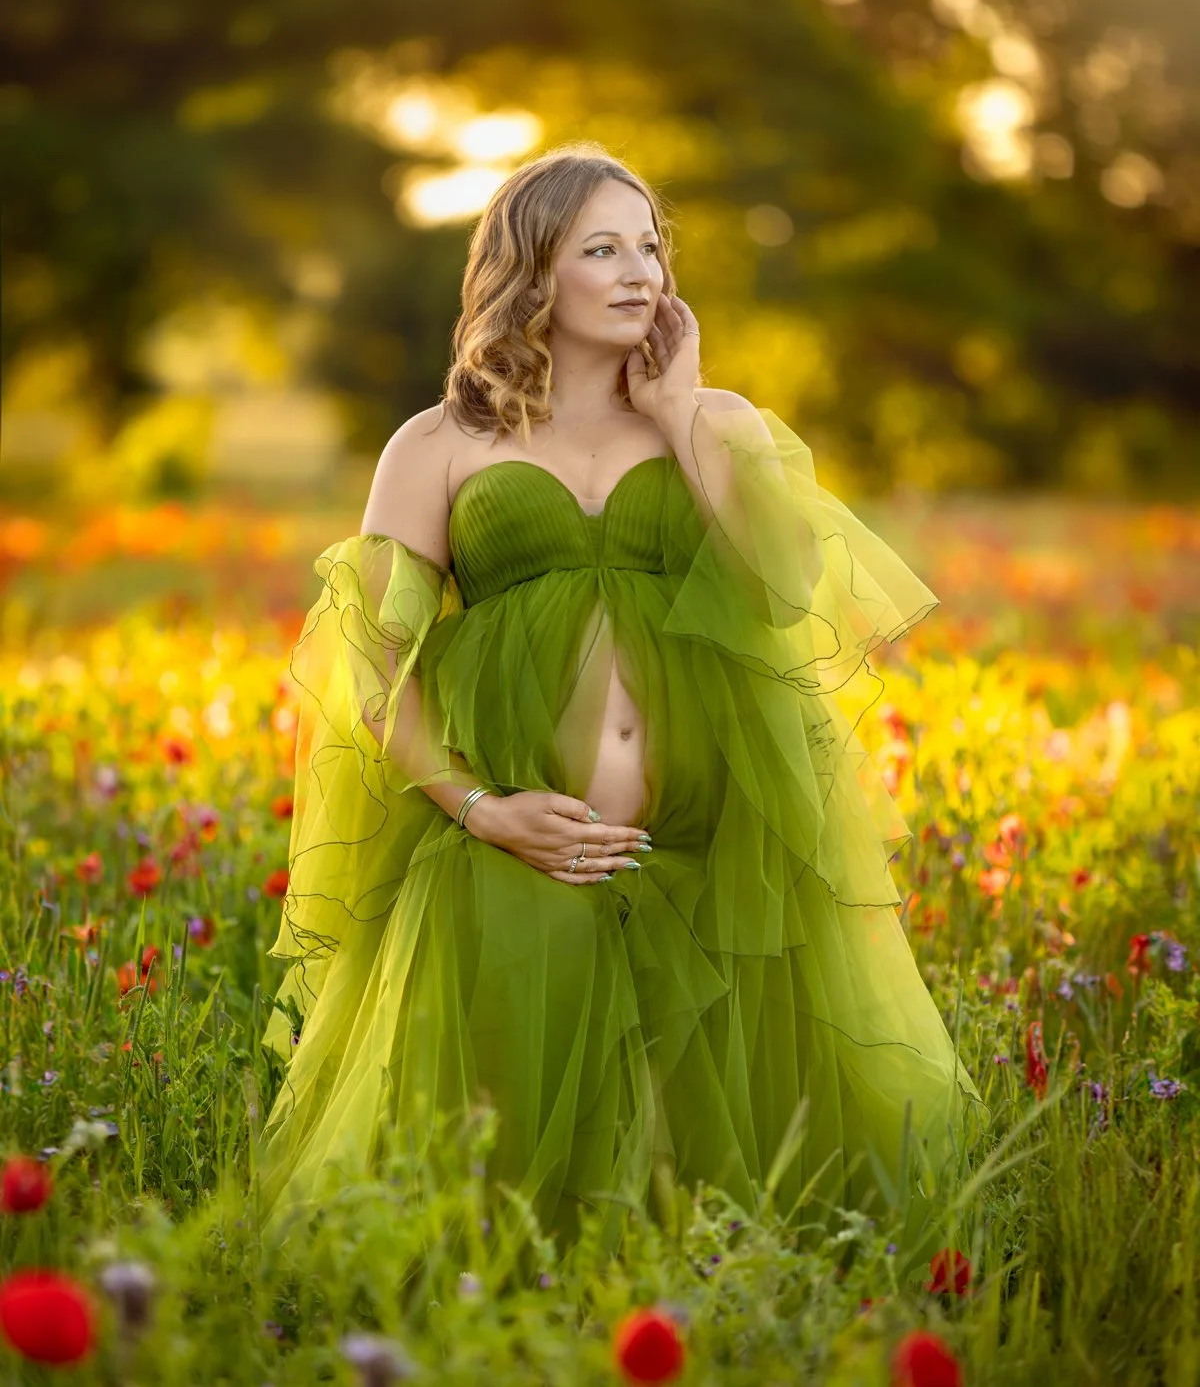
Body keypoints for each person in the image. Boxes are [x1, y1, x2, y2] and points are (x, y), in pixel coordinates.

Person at [255, 141, 989, 1270]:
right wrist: (479, 807)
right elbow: (374, 668)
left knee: (734, 1175)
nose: (640, 269)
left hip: (726, 836)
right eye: (602, 247)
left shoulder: (719, 422)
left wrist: (680, 410)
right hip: (514, 842)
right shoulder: (442, 442)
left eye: (649, 244)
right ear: (530, 269)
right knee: (507, 1181)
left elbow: (788, 590)